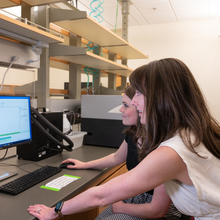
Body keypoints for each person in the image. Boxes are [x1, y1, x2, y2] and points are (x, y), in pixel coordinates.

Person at [28, 58, 220, 220]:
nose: (134, 103)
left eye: (138, 93)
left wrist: (54, 211)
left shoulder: (172, 152)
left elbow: (100, 196)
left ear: (162, 98)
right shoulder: (195, 132)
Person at [61, 85, 181, 220]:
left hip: (155, 209)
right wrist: (84, 164)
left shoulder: (163, 147)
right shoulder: (135, 134)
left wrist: (122, 207)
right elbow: (116, 157)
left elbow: (158, 210)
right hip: (137, 196)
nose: (120, 109)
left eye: (125, 105)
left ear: (141, 108)